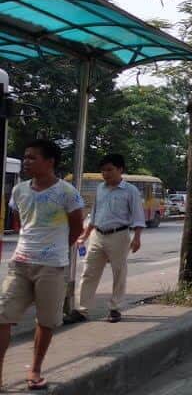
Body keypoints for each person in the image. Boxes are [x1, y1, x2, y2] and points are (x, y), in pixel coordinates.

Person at [0, 139, 85, 390]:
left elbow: (76, 228)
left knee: (46, 321)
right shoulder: (19, 191)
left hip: (52, 267)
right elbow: (20, 222)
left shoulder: (67, 193)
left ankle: (35, 370)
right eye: (25, 157)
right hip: (20, 264)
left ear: (50, 162)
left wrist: (57, 251)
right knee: (3, 316)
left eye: (32, 157)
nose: (26, 161)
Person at [64, 153, 145, 326]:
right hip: (97, 235)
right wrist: (86, 234)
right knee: (89, 272)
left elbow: (138, 216)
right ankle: (81, 309)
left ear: (120, 170)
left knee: (119, 272)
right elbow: (95, 213)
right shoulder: (101, 188)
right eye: (103, 171)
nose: (106, 174)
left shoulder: (130, 191)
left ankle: (115, 308)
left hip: (119, 235)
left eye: (110, 170)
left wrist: (137, 237)